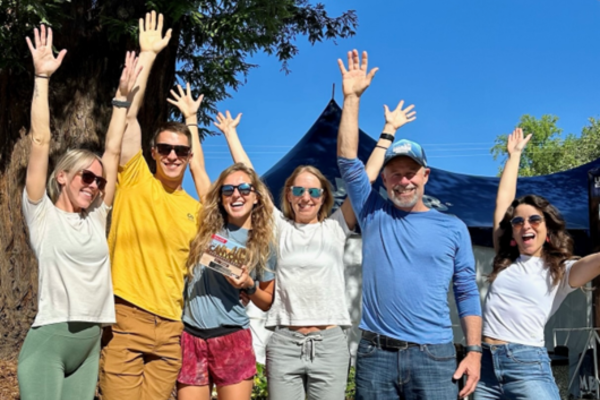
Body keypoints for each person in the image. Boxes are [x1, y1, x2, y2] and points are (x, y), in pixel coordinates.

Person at [336, 49, 482, 400]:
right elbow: (347, 161)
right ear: (384, 179)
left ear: (425, 175)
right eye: (395, 173)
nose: (404, 181)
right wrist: (351, 99)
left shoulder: (453, 227)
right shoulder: (372, 213)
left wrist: (475, 352)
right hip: (375, 356)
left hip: (435, 355)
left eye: (411, 172)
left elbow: (466, 291)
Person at [17, 25, 139, 400]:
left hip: (89, 342)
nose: (94, 185)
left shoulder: (97, 215)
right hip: (50, 340)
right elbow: (40, 140)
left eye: (99, 181)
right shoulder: (41, 214)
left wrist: (121, 100)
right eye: (86, 176)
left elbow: (113, 153)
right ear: (62, 177)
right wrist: (41, 77)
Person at [99, 11, 211, 400]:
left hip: (171, 328)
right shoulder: (134, 177)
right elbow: (127, 118)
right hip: (125, 316)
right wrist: (147, 55)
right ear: (153, 151)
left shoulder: (196, 210)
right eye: (165, 148)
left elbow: (221, 258)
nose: (173, 155)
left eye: (181, 150)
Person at [475, 128, 600, 400]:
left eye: (534, 220)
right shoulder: (504, 259)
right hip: (484, 365)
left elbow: (595, 262)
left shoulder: (561, 270)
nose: (525, 225)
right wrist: (514, 156)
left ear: (547, 229)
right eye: (518, 222)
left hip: (527, 365)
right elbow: (503, 203)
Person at [177, 158, 277, 400]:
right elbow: (197, 167)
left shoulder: (264, 244)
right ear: (220, 197)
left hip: (232, 338)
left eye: (244, 189)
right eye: (228, 189)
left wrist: (248, 285)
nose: (236, 195)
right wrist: (191, 118)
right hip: (191, 337)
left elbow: (266, 301)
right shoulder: (207, 226)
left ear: (256, 197)